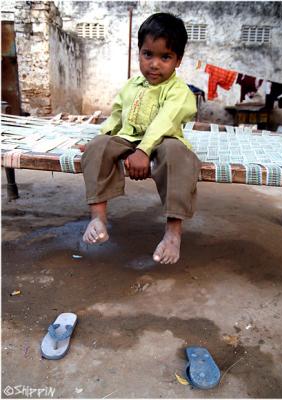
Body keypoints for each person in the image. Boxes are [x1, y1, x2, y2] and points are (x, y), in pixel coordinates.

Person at [81, 12, 200, 264]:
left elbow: (165, 121)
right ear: (139, 53)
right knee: (98, 146)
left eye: (165, 57)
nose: (154, 64)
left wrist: (144, 150)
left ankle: (173, 232)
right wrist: (99, 138)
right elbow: (116, 116)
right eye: (148, 54)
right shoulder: (131, 85)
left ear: (178, 60)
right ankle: (98, 217)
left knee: (179, 156)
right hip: (129, 138)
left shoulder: (179, 91)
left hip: (164, 140)